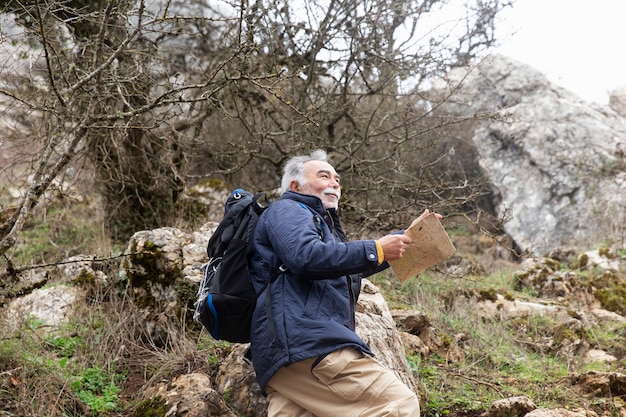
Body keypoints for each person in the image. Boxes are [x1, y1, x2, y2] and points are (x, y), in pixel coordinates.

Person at [249, 149, 440, 417]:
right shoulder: (288, 209)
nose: (335, 182)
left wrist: (406, 238)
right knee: (398, 405)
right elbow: (306, 257)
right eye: (323, 175)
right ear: (296, 186)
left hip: (285, 362)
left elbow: (339, 267)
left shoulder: (321, 227)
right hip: (310, 344)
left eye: (337, 178)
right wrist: (375, 249)